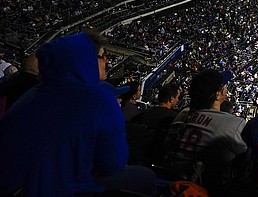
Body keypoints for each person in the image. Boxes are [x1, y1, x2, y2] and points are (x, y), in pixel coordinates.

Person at [0, 31, 154, 197]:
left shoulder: (31, 95)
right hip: (52, 190)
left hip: (14, 187)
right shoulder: (99, 97)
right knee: (146, 177)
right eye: (102, 56)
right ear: (85, 60)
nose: (106, 61)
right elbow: (112, 163)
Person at [162, 68, 247, 193]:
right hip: (206, 189)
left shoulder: (182, 114)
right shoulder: (233, 124)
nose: (226, 88)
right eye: (223, 86)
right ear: (218, 94)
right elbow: (246, 161)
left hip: (171, 183)